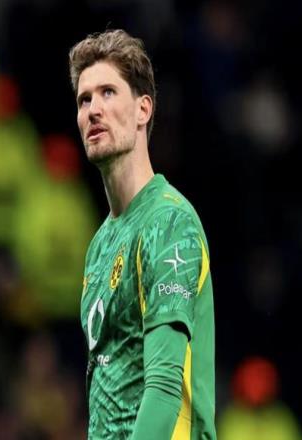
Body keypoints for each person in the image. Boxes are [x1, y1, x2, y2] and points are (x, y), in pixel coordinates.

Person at [69, 29, 216, 440]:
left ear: (143, 110)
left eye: (108, 93)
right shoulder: (100, 245)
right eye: (84, 100)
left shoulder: (169, 223)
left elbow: (165, 388)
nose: (93, 110)